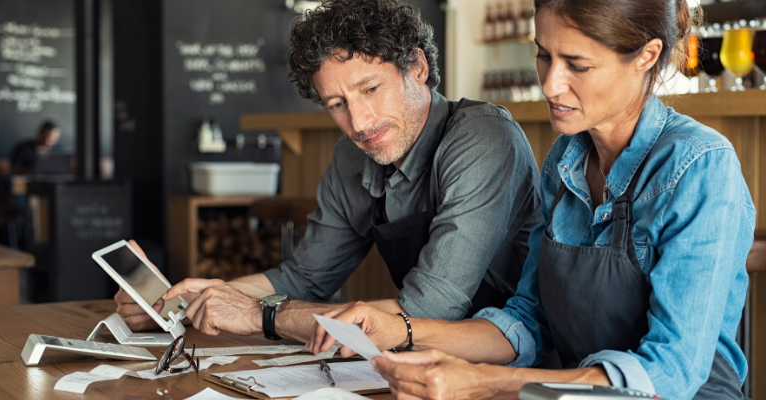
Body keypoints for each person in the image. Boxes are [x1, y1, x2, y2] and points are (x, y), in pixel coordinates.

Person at [309, 1, 754, 399]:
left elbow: (672, 372)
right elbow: (527, 320)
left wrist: (487, 382)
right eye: (544, 55)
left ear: (646, 56)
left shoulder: (699, 166)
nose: (551, 84)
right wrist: (403, 331)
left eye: (576, 64)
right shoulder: (566, 157)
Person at [115, 0, 541, 343]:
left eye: (370, 89)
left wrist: (261, 315)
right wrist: (187, 304)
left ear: (417, 67)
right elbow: (304, 278)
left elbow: (427, 311)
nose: (359, 121)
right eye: (337, 104)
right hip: (421, 364)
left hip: (514, 364)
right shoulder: (351, 157)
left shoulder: (483, 137)